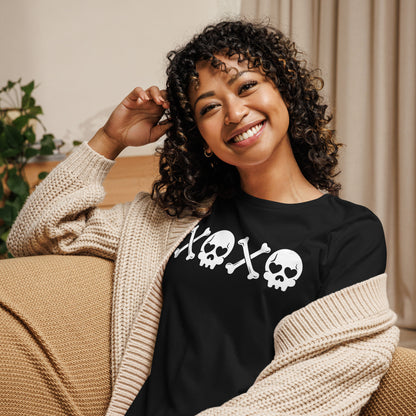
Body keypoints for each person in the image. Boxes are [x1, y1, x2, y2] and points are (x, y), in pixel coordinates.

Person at [7, 20, 398, 416]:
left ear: (284, 89)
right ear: (201, 137)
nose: (234, 112)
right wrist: (110, 139)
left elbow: (322, 378)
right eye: (209, 107)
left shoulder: (350, 232)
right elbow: (36, 235)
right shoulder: (173, 219)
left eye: (246, 86)